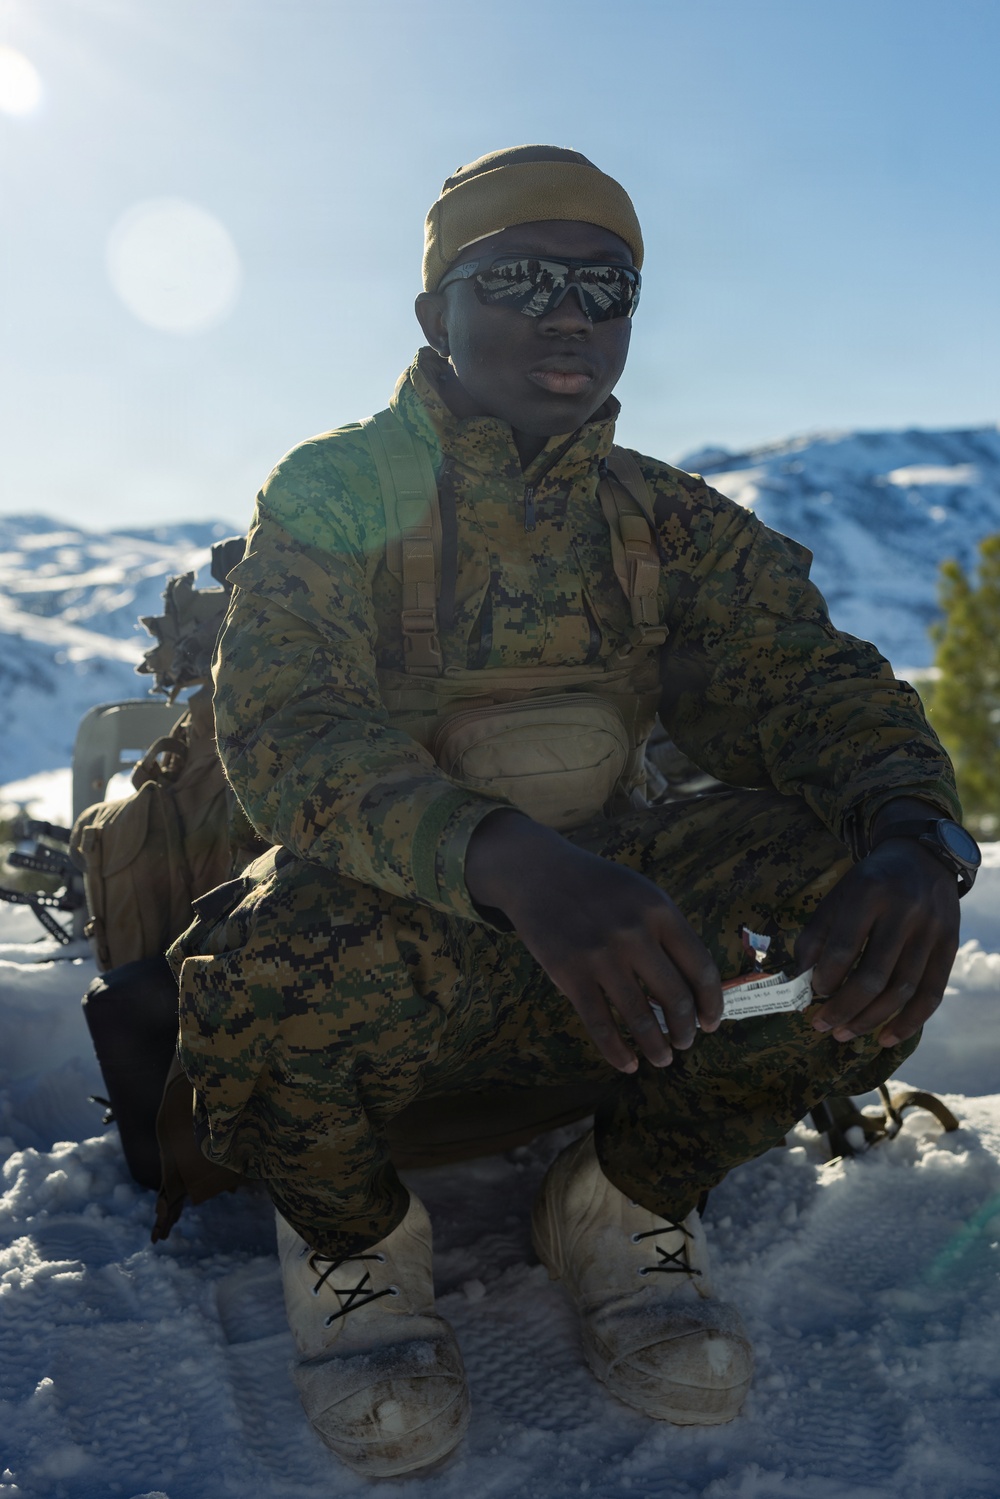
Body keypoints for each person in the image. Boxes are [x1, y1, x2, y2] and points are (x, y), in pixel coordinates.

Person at [169, 145, 979, 1479]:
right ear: (438, 312)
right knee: (262, 977)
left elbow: (812, 683)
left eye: (605, 286)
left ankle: (622, 1202)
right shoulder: (340, 487)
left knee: (848, 917)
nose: (569, 313)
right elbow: (284, 726)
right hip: (412, 916)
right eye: (522, 278)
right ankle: (358, 1246)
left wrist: (908, 828)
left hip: (623, 920)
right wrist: (507, 859)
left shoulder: (664, 519)